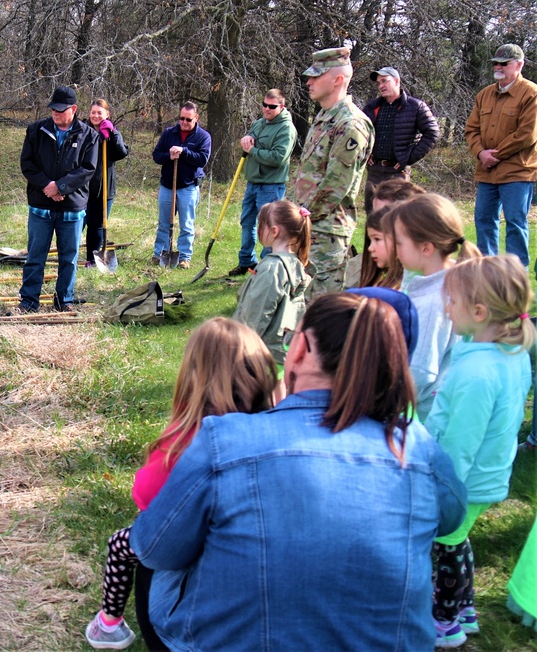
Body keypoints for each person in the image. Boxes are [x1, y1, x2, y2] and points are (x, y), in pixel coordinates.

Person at [128, 293, 467, 651]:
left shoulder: (222, 439)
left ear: (301, 349)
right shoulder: (415, 443)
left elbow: (154, 549)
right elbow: (452, 516)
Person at [83, 318, 278, 650]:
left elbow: (146, 496)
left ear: (194, 378)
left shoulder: (188, 442)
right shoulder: (273, 434)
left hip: (188, 551)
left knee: (124, 545)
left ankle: (109, 624)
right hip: (255, 570)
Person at [424, 255, 534, 648]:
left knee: (446, 547)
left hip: (463, 481)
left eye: (451, 301)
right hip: (487, 473)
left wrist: (441, 485)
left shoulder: (477, 374)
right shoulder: (509, 356)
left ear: (479, 311)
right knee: (459, 541)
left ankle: (445, 621)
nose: (446, 308)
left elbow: (460, 443)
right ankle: (465, 607)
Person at [390, 194, 481, 420]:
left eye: (399, 243)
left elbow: (420, 372)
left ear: (426, 249)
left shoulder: (434, 303)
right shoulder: (446, 277)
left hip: (426, 417)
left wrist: (381, 404)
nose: (395, 250)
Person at [294, 47, 374, 298]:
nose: (309, 81)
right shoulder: (325, 116)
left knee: (321, 305)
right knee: (301, 302)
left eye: (316, 76)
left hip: (327, 230)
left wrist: (303, 217)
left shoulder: (350, 124)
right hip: (309, 225)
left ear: (338, 79)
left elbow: (335, 185)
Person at [18, 85, 97, 311]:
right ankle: (28, 301)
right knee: (35, 256)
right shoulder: (36, 130)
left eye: (62, 110)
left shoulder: (88, 135)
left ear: (74, 109)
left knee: (69, 258)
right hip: (40, 206)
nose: (56, 113)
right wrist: (47, 186)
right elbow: (27, 164)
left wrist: (61, 187)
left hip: (72, 207)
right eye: (54, 109)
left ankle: (64, 301)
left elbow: (87, 169)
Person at [465, 44, 537, 267]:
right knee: (484, 220)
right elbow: (471, 130)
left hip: (517, 171)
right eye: (496, 63)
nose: (498, 67)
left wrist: (495, 155)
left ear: (519, 65)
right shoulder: (484, 94)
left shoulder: (531, 93)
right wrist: (480, 153)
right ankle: (488, 274)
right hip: (486, 172)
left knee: (515, 222)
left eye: (504, 63)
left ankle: (517, 277)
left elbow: (527, 134)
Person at [231, 200, 311, 368]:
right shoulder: (296, 262)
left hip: (261, 356)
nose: (258, 227)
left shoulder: (271, 270)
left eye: (261, 224)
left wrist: (240, 350)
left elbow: (257, 314)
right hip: (283, 353)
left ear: (274, 231)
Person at [229, 89, 298, 276]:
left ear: (281, 107)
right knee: (247, 222)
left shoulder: (286, 129)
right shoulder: (259, 124)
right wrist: (246, 138)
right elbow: (249, 139)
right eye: (264, 105)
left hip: (271, 186)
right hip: (252, 183)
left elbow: (278, 158)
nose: (266, 109)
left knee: (270, 227)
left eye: (272, 106)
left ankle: (267, 267)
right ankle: (246, 262)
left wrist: (253, 151)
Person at [361, 67, 439, 212]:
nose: (381, 86)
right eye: (378, 83)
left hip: (397, 173)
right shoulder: (372, 107)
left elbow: (432, 132)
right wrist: (366, 155)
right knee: (372, 218)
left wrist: (407, 159)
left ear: (397, 81)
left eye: (385, 81)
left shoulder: (415, 106)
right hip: (374, 170)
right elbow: (360, 133)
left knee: (396, 216)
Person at [151, 101, 211, 268]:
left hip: (188, 186)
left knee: (186, 224)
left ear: (196, 118)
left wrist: (184, 152)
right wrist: (169, 156)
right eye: (181, 118)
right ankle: (160, 253)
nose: (184, 122)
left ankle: (184, 257)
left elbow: (202, 159)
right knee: (164, 222)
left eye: (188, 119)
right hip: (167, 186)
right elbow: (156, 155)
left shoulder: (203, 137)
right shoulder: (169, 133)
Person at [348, 179, 425, 288]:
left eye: (384, 214)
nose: (376, 220)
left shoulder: (423, 275)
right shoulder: (367, 260)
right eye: (375, 213)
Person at [84, 99, 129, 266]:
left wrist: (113, 134)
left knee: (97, 228)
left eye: (99, 113)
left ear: (107, 115)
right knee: (77, 224)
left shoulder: (112, 132)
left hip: (104, 189)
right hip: (84, 188)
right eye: (93, 112)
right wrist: (96, 137)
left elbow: (122, 153)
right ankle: (69, 257)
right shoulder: (82, 130)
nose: (96, 116)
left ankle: (92, 260)